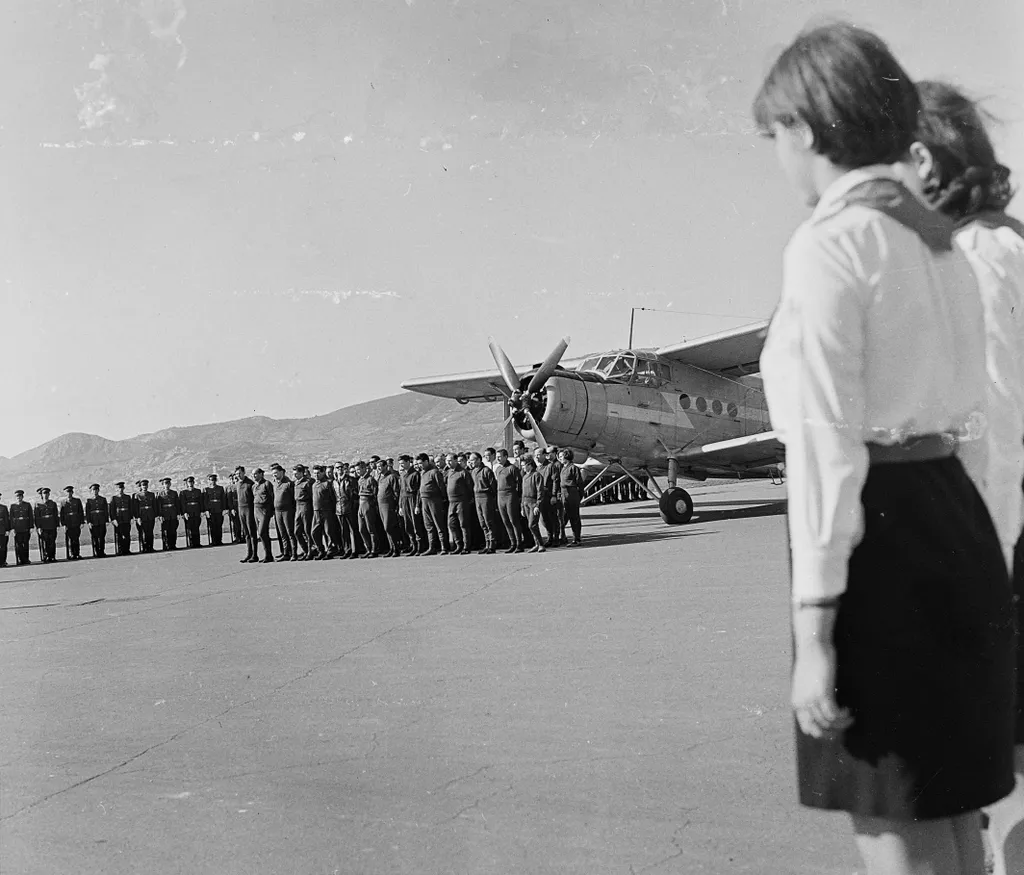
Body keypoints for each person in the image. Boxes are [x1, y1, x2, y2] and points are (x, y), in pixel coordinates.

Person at [752, 23, 1015, 874]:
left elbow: (827, 444)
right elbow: (977, 423)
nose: (779, 158)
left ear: (807, 128)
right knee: (947, 808)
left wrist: (817, 628)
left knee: (890, 821)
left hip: (877, 540)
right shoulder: (942, 244)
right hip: (953, 518)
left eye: (777, 136)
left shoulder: (831, 245)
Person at [901, 80, 1024, 875]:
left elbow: (996, 442)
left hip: (999, 565)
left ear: (922, 161)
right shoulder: (1012, 245)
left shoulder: (975, 264)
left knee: (1003, 812)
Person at [416, 453, 448, 555]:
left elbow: (441, 486)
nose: (420, 465)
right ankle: (432, 547)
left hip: (434, 500)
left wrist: (443, 499)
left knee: (438, 523)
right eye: (418, 464)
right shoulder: (422, 473)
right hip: (424, 500)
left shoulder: (434, 472)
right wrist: (418, 504)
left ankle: (444, 546)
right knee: (428, 525)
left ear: (426, 461)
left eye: (421, 463)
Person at [495, 448, 525, 553]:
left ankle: (519, 544)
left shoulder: (512, 468)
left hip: (510, 495)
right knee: (506, 521)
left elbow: (519, 483)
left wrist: (519, 497)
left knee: (514, 520)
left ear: (506, 457)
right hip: (500, 496)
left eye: (500, 456)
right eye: (497, 457)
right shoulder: (498, 469)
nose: (498, 459)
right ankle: (512, 543)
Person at [468, 451, 499, 554]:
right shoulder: (473, 472)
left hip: (486, 497)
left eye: (472, 460)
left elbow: (493, 486)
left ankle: (492, 544)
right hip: (477, 498)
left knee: (489, 521)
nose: (470, 462)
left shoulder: (486, 471)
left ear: (478, 460)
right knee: (482, 522)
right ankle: (487, 543)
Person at [445, 453, 474, 555]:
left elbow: (470, 486)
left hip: (462, 501)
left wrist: (469, 498)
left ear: (455, 460)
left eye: (450, 460)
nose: (448, 463)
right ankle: (458, 545)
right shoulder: (448, 472)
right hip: (451, 502)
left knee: (464, 524)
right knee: (451, 524)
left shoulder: (463, 472)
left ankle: (466, 546)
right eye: (447, 461)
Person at [398, 455, 425, 556]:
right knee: (408, 524)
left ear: (408, 462)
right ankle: (413, 545)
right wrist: (400, 506)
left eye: (402, 463)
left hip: (412, 499)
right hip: (404, 500)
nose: (401, 465)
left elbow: (418, 491)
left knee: (415, 523)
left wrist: (417, 505)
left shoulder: (415, 474)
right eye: (400, 464)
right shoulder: (402, 475)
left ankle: (419, 547)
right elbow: (401, 491)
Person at [355, 460, 382, 558]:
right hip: (361, 503)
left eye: (359, 469)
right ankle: (368, 548)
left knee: (371, 528)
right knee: (361, 529)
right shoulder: (359, 480)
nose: (357, 471)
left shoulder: (370, 479)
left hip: (368, 503)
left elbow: (375, 493)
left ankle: (375, 549)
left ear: (363, 468)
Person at [376, 458, 403, 557]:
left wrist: (396, 505)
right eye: (377, 467)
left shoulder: (391, 477)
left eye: (380, 467)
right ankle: (392, 548)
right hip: (381, 505)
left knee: (389, 526)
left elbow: (396, 492)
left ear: (385, 466)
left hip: (388, 505)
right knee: (386, 527)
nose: (378, 469)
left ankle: (396, 548)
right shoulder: (380, 477)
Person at [519, 457, 547, 553]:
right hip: (526, 502)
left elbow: (540, 491)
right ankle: (537, 544)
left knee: (532, 524)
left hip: (533, 502)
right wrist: (522, 506)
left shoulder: (537, 475)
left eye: (524, 465)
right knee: (530, 524)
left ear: (529, 465)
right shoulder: (524, 477)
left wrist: (537, 505)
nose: (522, 467)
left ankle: (541, 544)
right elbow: (523, 493)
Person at [310, 465, 338, 559]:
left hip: (326, 511)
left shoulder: (328, 483)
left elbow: (333, 498)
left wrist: (332, 510)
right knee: (314, 532)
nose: (316, 475)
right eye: (314, 473)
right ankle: (320, 550)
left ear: (323, 472)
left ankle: (330, 551)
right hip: (316, 511)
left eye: (318, 473)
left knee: (328, 532)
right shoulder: (314, 485)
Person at [558, 449, 584, 546]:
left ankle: (576, 539)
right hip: (564, 492)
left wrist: (579, 496)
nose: (560, 458)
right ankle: (562, 537)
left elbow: (580, 483)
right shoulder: (562, 468)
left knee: (574, 517)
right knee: (564, 517)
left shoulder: (573, 468)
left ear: (567, 456)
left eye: (561, 456)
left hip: (571, 492)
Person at [271, 465, 297, 561]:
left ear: (282, 472)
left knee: (290, 533)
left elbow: (293, 498)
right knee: (282, 533)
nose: (274, 475)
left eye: (276, 473)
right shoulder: (274, 483)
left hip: (287, 511)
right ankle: (286, 553)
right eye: (273, 473)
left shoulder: (288, 483)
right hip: (278, 511)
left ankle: (294, 553)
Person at [337, 462, 362, 558]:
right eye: (337, 467)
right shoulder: (335, 481)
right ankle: (347, 550)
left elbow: (355, 494)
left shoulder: (351, 480)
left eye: (341, 467)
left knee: (353, 530)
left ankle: (355, 550)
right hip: (339, 509)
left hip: (349, 507)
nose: (339, 469)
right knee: (344, 531)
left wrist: (353, 505)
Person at [251, 468, 275, 563]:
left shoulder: (267, 484)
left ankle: (268, 555)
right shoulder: (254, 486)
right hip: (256, 509)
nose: (254, 476)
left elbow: (271, 497)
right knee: (264, 534)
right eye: (253, 474)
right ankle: (268, 555)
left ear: (261, 474)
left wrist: (271, 510)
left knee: (261, 532)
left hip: (265, 509)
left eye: (256, 474)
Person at [234, 466, 257, 562]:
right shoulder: (238, 484)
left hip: (249, 509)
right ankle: (249, 553)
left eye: (239, 473)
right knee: (246, 533)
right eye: (236, 474)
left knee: (252, 533)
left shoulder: (250, 483)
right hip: (241, 509)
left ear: (244, 473)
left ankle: (254, 555)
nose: (238, 475)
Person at [293, 464, 315, 560]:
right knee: (297, 532)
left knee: (307, 531)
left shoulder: (307, 483)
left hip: (305, 506)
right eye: (294, 474)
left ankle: (310, 552)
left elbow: (311, 497)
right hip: (298, 506)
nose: (295, 476)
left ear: (302, 473)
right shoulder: (295, 483)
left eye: (297, 474)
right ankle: (306, 550)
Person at [59, 485, 85, 560]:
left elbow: (80, 512)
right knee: (70, 539)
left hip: (76, 522)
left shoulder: (77, 501)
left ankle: (77, 553)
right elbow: (62, 514)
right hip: (68, 523)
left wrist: (82, 522)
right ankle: (71, 554)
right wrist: (63, 524)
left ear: (72, 492)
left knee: (76, 539)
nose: (69, 493)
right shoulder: (63, 502)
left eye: (70, 492)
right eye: (67, 492)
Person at [133, 479, 157, 553]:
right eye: (143, 485)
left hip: (150, 515)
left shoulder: (151, 494)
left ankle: (151, 547)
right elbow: (135, 508)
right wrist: (137, 517)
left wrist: (155, 515)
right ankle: (144, 548)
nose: (144, 487)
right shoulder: (137, 495)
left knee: (150, 532)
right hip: (142, 516)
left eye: (146, 485)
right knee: (143, 532)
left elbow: (154, 506)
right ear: (141, 486)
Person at [35, 487, 59, 562]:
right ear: (41, 495)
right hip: (43, 526)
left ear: (49, 494)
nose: (45, 495)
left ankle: (52, 556)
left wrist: (57, 525)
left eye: (47, 493)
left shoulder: (53, 503)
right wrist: (38, 527)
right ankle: (46, 556)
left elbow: (55, 515)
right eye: (44, 493)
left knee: (52, 542)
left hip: (52, 525)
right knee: (45, 542)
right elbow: (37, 517)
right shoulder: (38, 504)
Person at [109, 481, 133, 555]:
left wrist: (131, 517)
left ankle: (127, 550)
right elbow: (111, 510)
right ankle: (120, 550)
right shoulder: (114, 498)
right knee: (119, 535)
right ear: (117, 489)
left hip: (126, 518)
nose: (121, 489)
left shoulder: (128, 497)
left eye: (122, 488)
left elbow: (130, 508)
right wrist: (113, 519)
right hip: (118, 519)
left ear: (124, 488)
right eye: (119, 488)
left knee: (127, 534)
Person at [84, 483, 108, 558]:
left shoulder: (103, 499)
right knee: (95, 537)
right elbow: (87, 512)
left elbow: (106, 511)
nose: (95, 491)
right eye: (93, 490)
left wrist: (106, 520)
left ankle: (102, 551)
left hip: (101, 520)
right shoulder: (89, 501)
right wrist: (89, 522)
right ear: (91, 491)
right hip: (93, 521)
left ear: (98, 490)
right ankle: (96, 552)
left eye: (96, 490)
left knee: (102, 537)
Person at [10, 490, 33, 565]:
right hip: (17, 528)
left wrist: (31, 526)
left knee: (26, 544)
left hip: (26, 527)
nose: (19, 498)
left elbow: (30, 516)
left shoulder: (27, 505)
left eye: (20, 496)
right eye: (17, 496)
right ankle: (20, 559)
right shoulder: (13, 506)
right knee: (18, 545)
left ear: (22, 497)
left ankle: (26, 559)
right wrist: (12, 528)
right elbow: (11, 518)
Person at [157, 477, 181, 550]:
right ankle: (166, 545)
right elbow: (159, 505)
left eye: (168, 483)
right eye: (165, 484)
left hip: (173, 513)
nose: (166, 485)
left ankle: (173, 545)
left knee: (173, 530)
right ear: (163, 485)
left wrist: (178, 513)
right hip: (165, 514)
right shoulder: (160, 494)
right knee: (165, 531)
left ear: (170, 484)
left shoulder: (174, 493)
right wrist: (160, 515)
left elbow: (177, 504)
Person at [180, 476, 204, 548]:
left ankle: (197, 543)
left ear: (194, 483)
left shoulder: (198, 491)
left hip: (196, 511)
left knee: (196, 527)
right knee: (190, 528)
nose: (190, 483)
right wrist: (184, 512)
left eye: (191, 482)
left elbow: (200, 502)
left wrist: (201, 511)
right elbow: (183, 503)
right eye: (189, 482)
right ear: (187, 483)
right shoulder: (183, 492)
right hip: (188, 512)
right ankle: (192, 543)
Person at [203, 474, 227, 546]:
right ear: (209, 481)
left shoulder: (220, 488)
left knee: (219, 526)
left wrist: (224, 509)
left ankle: (219, 540)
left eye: (214, 480)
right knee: (212, 526)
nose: (213, 481)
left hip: (219, 509)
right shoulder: (206, 489)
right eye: (211, 480)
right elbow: (205, 501)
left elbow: (223, 499)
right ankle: (213, 541)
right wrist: (206, 510)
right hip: (211, 510)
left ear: (216, 480)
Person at [226, 472, 242, 544]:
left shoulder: (240, 485)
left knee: (243, 523)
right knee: (236, 524)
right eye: (232, 479)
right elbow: (228, 499)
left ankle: (243, 536)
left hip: (241, 506)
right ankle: (237, 537)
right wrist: (231, 508)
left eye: (235, 478)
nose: (233, 480)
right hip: (233, 507)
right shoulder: (228, 487)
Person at [0, 491, 9, 567]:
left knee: (3, 547)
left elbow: (6, 519)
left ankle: (3, 561)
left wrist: (7, 529)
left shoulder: (3, 508)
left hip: (2, 530)